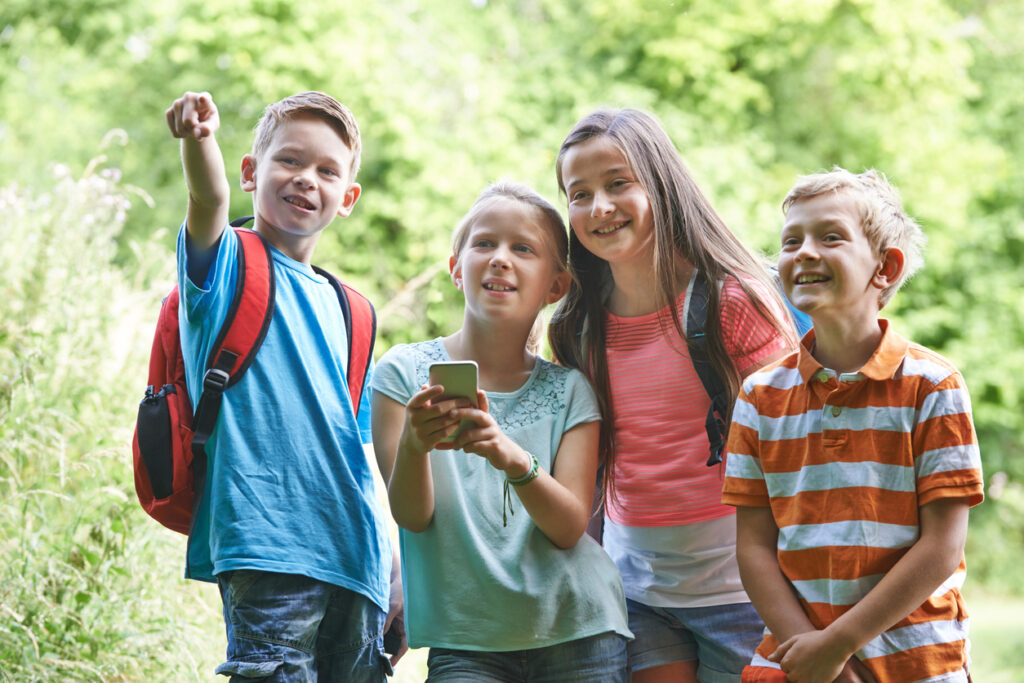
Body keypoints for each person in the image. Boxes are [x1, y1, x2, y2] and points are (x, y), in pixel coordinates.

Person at [547, 108, 797, 683]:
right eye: (578, 194)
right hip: (637, 594)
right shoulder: (577, 325)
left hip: (744, 590)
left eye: (617, 183)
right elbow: (589, 466)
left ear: (660, 183)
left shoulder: (732, 300)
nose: (598, 208)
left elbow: (794, 452)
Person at [165, 90, 400, 681]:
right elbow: (206, 199)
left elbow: (366, 454)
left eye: (327, 170)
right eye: (289, 161)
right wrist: (200, 141)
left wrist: (397, 569)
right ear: (251, 172)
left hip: (358, 560)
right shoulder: (224, 269)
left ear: (347, 198)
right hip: (267, 547)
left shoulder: (354, 312)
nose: (306, 180)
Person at [723, 168, 984, 683]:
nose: (803, 252)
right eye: (791, 240)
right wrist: (816, 657)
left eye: (831, 237)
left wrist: (839, 644)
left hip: (915, 661)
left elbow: (942, 547)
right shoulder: (758, 396)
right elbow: (753, 547)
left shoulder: (933, 386)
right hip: (799, 659)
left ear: (884, 268)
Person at [371, 181, 633, 682]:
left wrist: (511, 457)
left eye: (523, 249)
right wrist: (414, 442)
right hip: (466, 642)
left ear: (556, 287)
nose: (500, 259)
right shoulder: (404, 372)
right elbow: (413, 516)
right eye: (484, 244)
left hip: (580, 629)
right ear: (456, 267)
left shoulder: (571, 390)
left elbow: (568, 527)